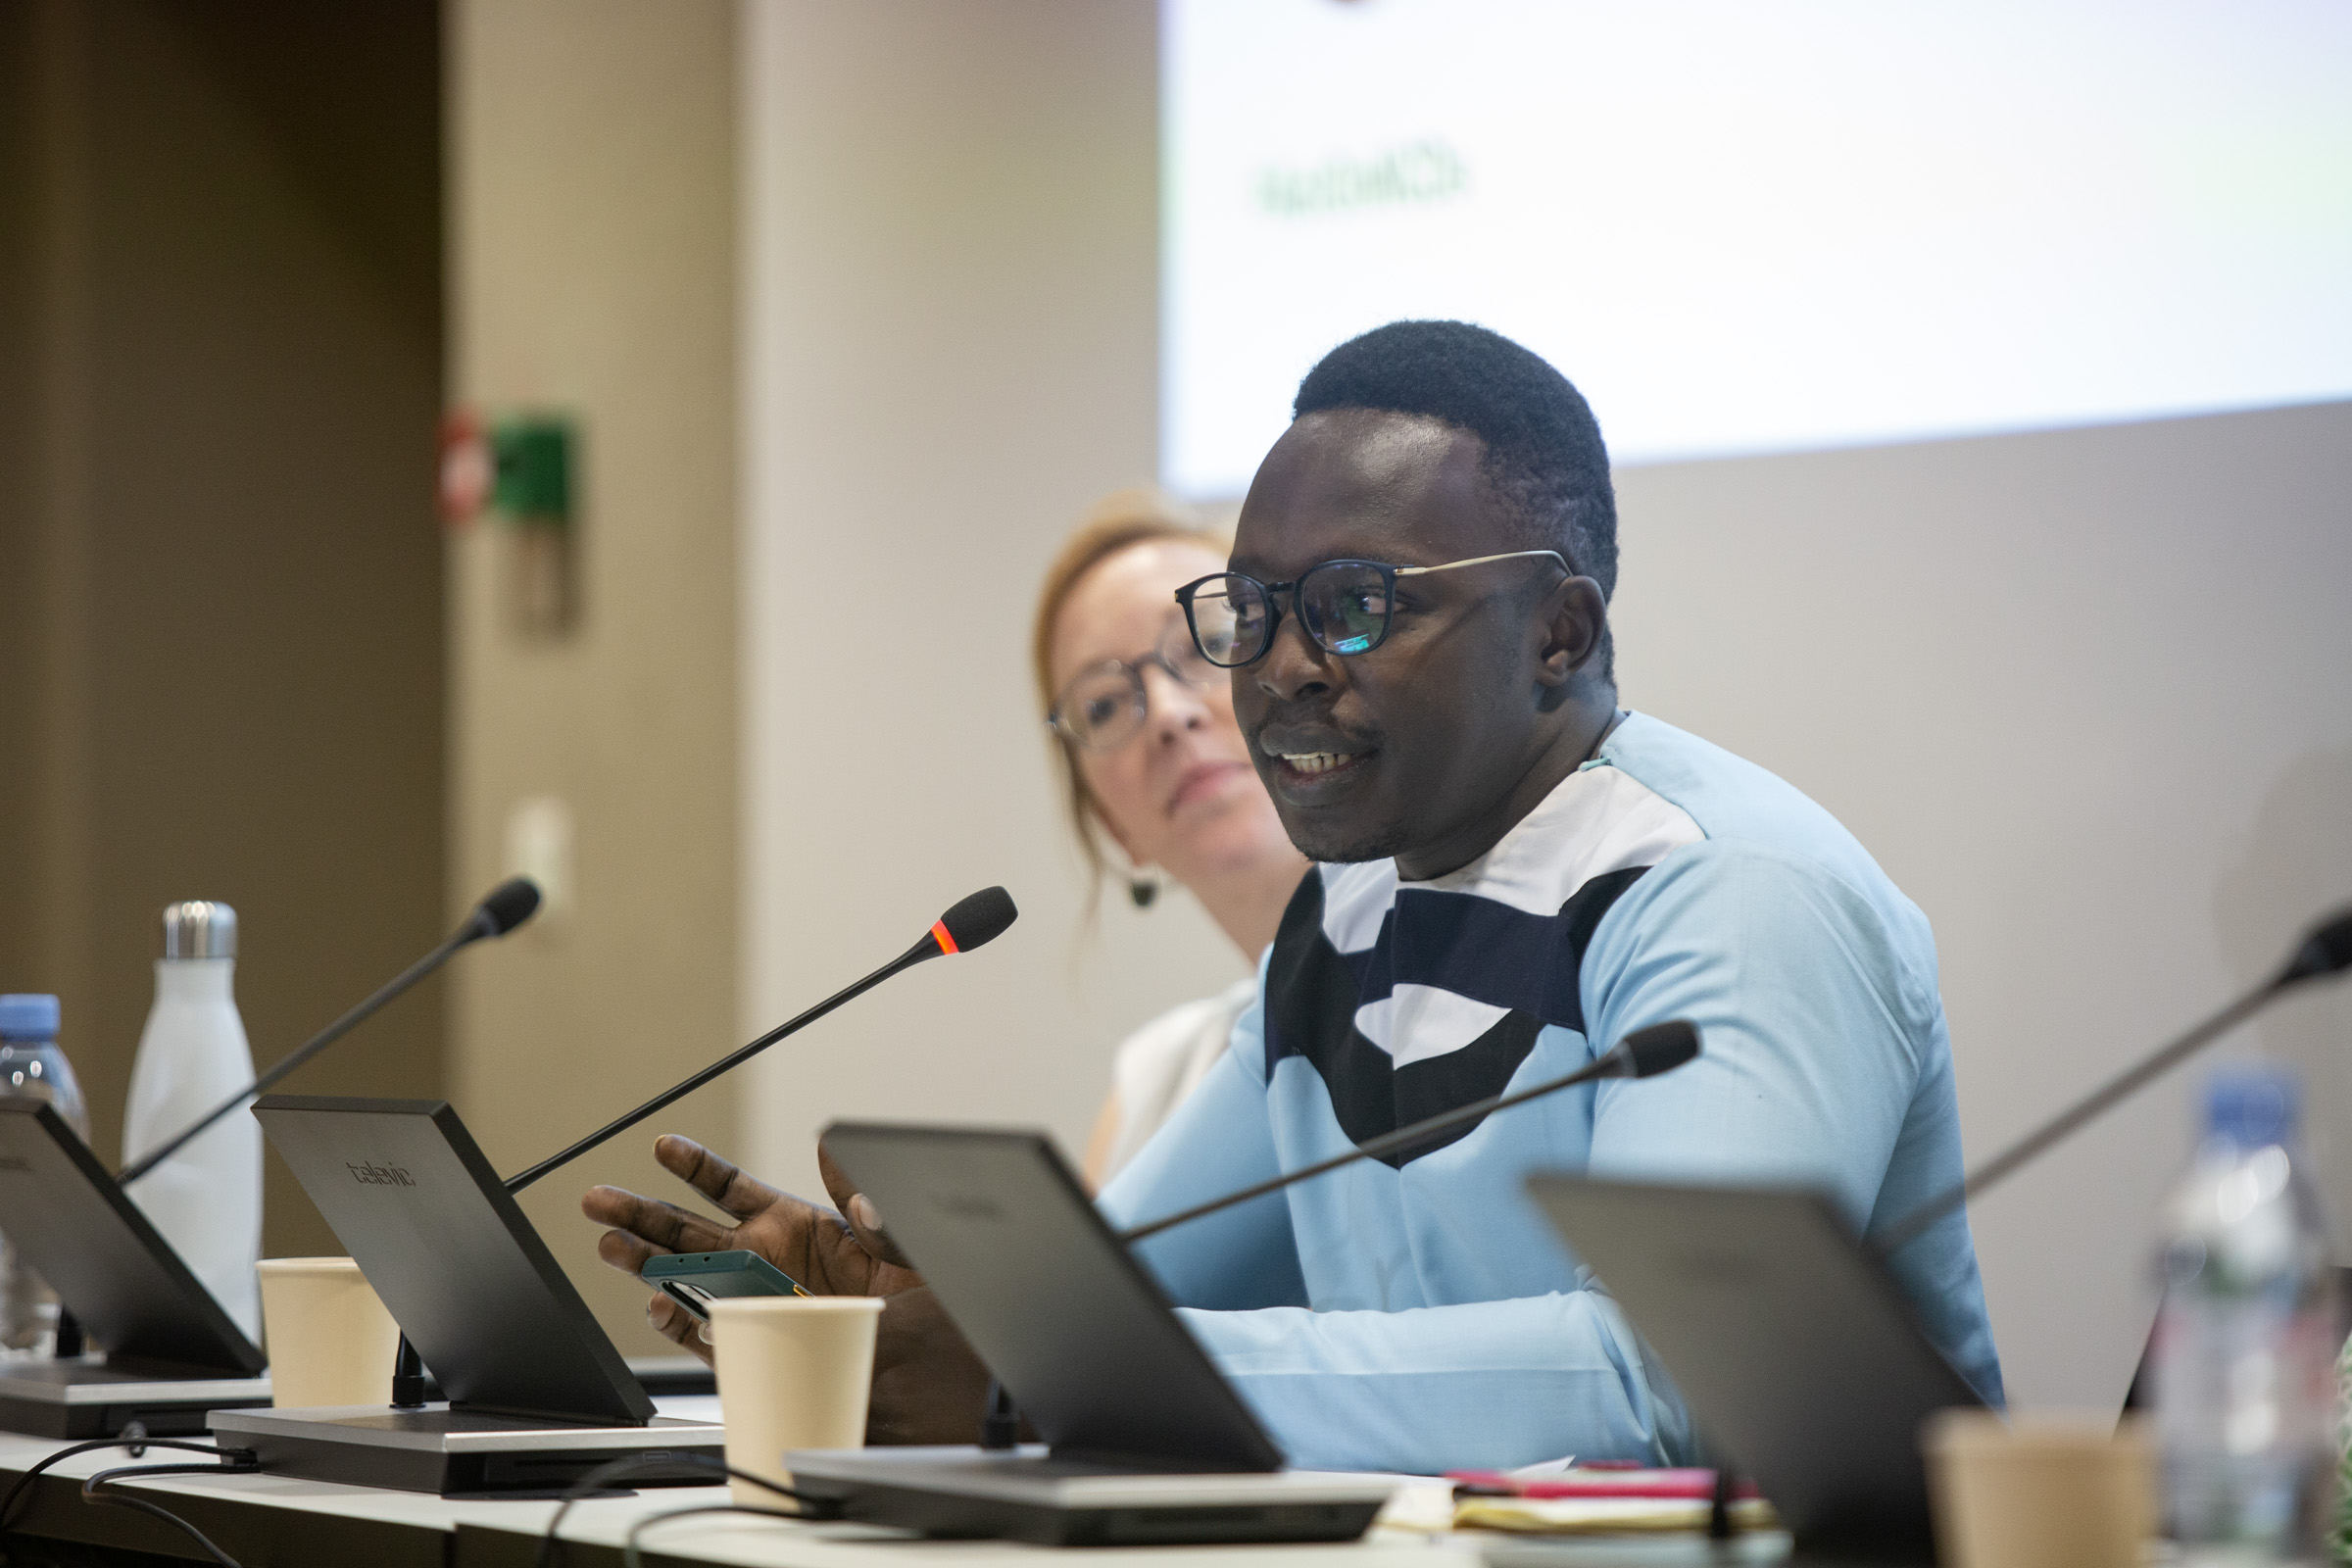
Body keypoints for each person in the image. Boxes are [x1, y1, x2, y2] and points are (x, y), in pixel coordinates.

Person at [584, 320, 2002, 1471]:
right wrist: (921, 1309)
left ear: (1558, 632)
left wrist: (1039, 1371)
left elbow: (1678, 1383)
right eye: (1251, 612)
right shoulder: (1346, 918)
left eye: (1358, 608)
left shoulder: (1728, 895)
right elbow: (1139, 1282)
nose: (1278, 669)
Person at [1027, 491, 1308, 1187]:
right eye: (1104, 704)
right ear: (1113, 825)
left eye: (1208, 645)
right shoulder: (1154, 1090)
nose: (1169, 716)